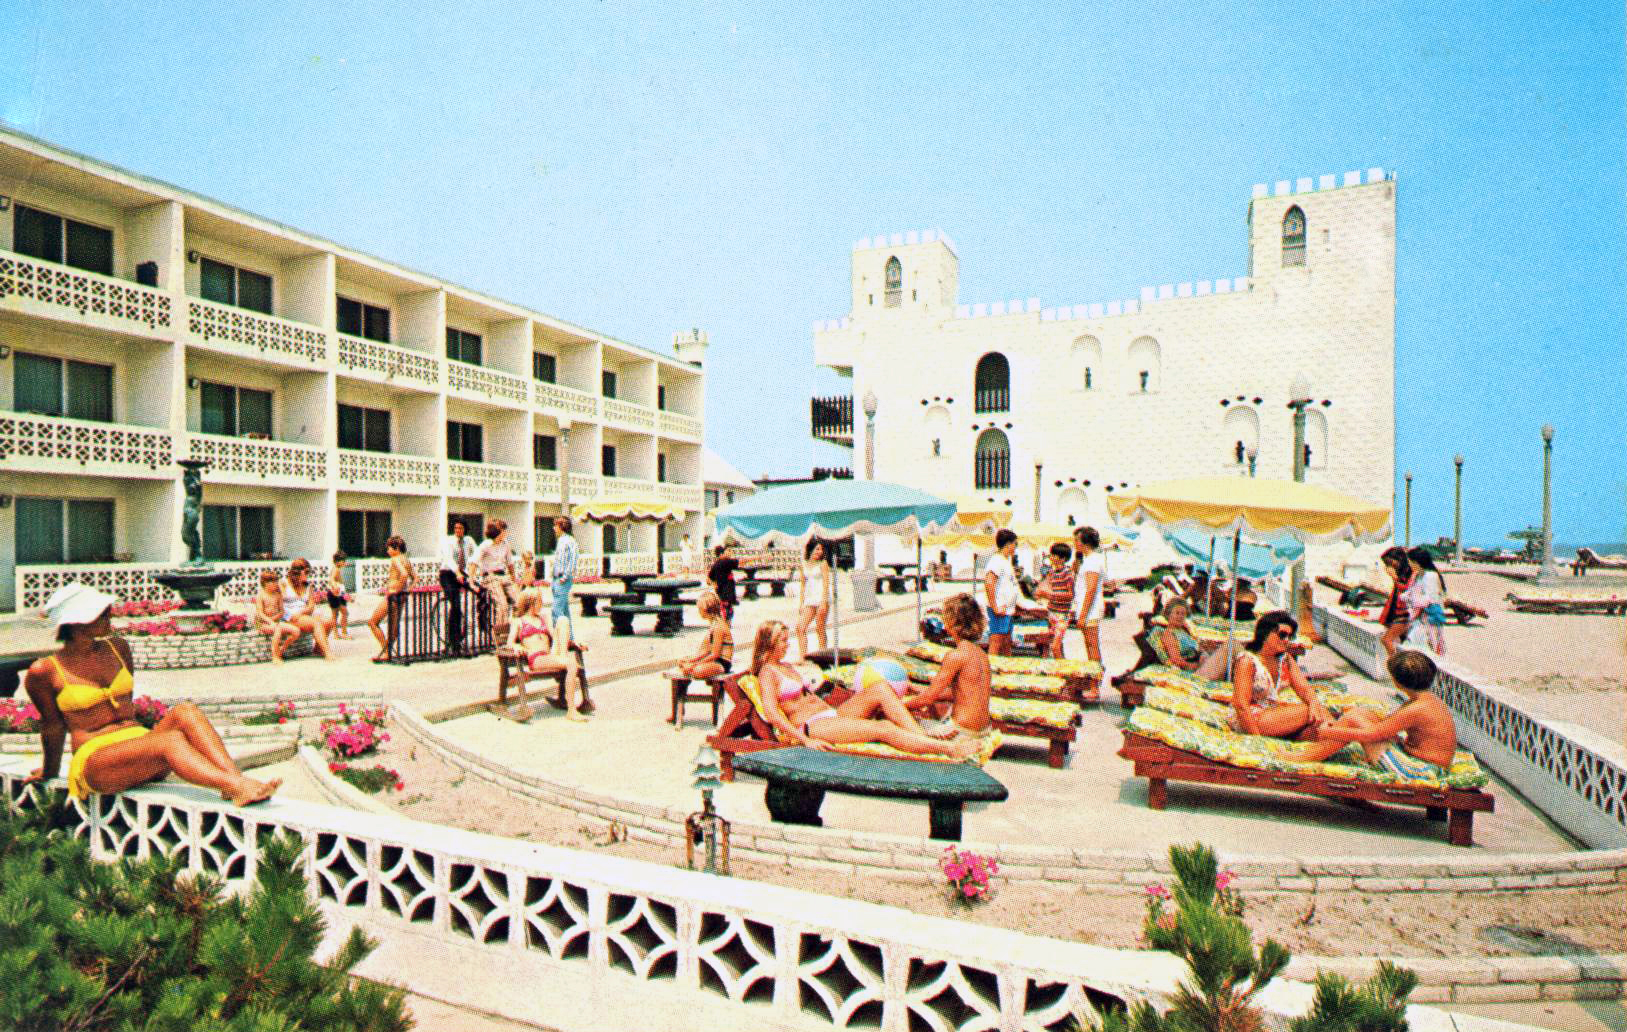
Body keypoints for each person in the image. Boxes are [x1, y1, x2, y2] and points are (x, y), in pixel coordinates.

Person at [23, 583, 280, 805]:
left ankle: (234, 782)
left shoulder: (117, 647)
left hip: (140, 748)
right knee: (170, 741)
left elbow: (125, 706)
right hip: (96, 761)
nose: (109, 614)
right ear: (76, 622)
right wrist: (49, 771)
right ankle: (237, 786)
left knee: (186, 712)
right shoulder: (45, 671)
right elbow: (53, 727)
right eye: (101, 612)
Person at [751, 620, 977, 759]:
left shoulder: (787, 666)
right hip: (812, 726)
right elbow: (771, 713)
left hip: (831, 714)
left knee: (880, 687)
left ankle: (921, 738)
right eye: (782, 640)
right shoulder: (768, 673)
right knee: (884, 728)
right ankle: (946, 750)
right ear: (768, 643)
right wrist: (803, 739)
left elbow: (809, 694)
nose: (787, 644)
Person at [1299, 650, 1456, 778]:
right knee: (1361, 713)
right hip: (1425, 762)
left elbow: (1372, 734)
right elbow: (1386, 723)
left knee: (1354, 719)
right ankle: (1315, 752)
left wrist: (1330, 731)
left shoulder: (1417, 708)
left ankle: (1304, 758)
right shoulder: (1426, 700)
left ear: (1398, 682)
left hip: (1423, 770)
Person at [901, 593, 993, 746]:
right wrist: (917, 689)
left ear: (951, 623)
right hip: (982, 731)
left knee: (895, 722)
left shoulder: (956, 656)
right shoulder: (982, 655)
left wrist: (899, 707)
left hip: (960, 732)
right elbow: (963, 691)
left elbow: (927, 699)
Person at [1230, 610, 1332, 738]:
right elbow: (1241, 705)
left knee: (1318, 728)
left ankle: (1344, 736)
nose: (1286, 640)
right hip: (1249, 720)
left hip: (1272, 716)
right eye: (1282, 635)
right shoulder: (1247, 661)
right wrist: (1257, 741)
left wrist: (1314, 703)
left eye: (1290, 637)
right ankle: (1351, 734)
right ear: (1265, 634)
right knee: (1306, 711)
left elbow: (1304, 689)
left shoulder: (1285, 659)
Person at [507, 588, 585, 720]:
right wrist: (517, 646)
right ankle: (571, 711)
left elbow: (558, 636)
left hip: (550, 654)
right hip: (537, 659)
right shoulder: (519, 621)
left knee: (563, 620)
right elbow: (510, 642)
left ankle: (563, 657)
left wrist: (574, 643)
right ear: (531, 602)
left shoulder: (543, 618)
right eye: (540, 601)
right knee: (572, 664)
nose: (542, 604)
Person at [1156, 600, 1232, 681]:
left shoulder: (1183, 631)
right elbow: (1177, 661)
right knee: (1232, 647)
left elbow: (1196, 647)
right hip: (1192, 673)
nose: (1180, 617)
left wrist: (1207, 649)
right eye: (1177, 613)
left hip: (1201, 664)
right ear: (1168, 614)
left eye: (1183, 614)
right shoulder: (1169, 635)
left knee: (1230, 648)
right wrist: (1198, 665)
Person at [368, 536, 415, 661]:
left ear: (396, 548)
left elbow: (404, 575)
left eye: (389, 548)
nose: (387, 551)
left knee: (372, 622)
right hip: (401, 596)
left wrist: (397, 589)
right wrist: (407, 590)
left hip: (393, 595)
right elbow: (416, 578)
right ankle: (387, 652)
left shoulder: (395, 559)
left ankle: (386, 651)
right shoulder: (406, 560)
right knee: (393, 628)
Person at [675, 591, 734, 681]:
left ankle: (693, 670)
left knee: (697, 671)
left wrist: (694, 665)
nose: (699, 612)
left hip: (721, 663)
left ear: (706, 609)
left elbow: (715, 654)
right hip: (713, 661)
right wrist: (691, 660)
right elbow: (706, 651)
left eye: (700, 609)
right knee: (682, 662)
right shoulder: (713, 624)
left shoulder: (719, 626)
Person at [281, 558, 332, 660]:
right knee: (315, 623)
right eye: (304, 573)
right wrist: (289, 616)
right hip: (289, 616)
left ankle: (318, 648)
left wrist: (301, 612)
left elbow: (311, 606)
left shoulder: (308, 586)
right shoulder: (283, 584)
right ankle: (327, 653)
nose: (306, 576)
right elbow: (278, 606)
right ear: (295, 573)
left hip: (302, 615)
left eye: (307, 573)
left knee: (328, 621)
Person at [982, 529, 1021, 656]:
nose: (1016, 548)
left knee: (1006, 641)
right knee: (996, 641)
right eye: (1015, 544)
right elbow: (989, 582)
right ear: (1008, 544)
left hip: (1007, 610)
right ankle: (989, 672)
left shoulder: (1004, 561)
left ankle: (1006, 669)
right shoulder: (996, 561)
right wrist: (995, 607)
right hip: (1000, 610)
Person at [476, 519, 519, 634]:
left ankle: (515, 631)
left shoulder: (505, 545)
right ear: (496, 532)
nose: (505, 533)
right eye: (503, 531)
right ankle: (500, 634)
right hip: (490, 576)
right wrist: (471, 579)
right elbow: (473, 561)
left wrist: (513, 578)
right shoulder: (485, 545)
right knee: (502, 604)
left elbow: (510, 563)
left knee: (518, 602)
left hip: (502, 575)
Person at [439, 519, 476, 654]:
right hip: (448, 574)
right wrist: (457, 573)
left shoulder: (469, 541)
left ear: (465, 529)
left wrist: (475, 571)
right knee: (455, 606)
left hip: (462, 573)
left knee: (480, 595)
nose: (458, 531)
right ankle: (453, 642)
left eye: (460, 528)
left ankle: (472, 631)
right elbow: (448, 559)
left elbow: (475, 556)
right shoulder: (448, 541)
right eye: (456, 528)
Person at [1033, 542, 1075, 658]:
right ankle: (1059, 667)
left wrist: (1050, 595)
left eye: (1054, 555)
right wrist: (1040, 592)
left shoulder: (1067, 574)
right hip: (1051, 613)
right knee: (1054, 645)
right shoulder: (1051, 573)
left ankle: (1062, 672)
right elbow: (1044, 587)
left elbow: (1071, 595)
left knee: (1055, 647)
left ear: (1062, 558)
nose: (1051, 557)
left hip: (1062, 615)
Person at [1072, 527, 1106, 668]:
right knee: (1089, 645)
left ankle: (1095, 684)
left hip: (1090, 610)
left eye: (1076, 540)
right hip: (1087, 609)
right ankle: (1093, 681)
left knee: (1092, 645)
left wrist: (1083, 615)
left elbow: (1091, 589)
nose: (1074, 543)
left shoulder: (1093, 561)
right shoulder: (1089, 560)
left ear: (1085, 543)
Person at [1404, 547, 1448, 655]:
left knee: (1429, 646)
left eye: (1410, 562)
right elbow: (1413, 592)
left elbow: (1429, 598)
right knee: (1417, 645)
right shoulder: (1418, 575)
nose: (1409, 564)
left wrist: (1412, 600)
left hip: (1430, 617)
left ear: (1417, 562)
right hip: (1419, 617)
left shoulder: (1430, 576)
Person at [794, 539, 831, 661]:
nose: (819, 552)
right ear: (810, 549)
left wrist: (823, 602)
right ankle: (802, 656)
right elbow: (803, 585)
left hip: (821, 598)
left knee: (820, 628)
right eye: (817, 549)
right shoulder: (803, 564)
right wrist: (801, 603)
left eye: (821, 549)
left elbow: (826, 583)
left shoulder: (823, 563)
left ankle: (823, 656)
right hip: (810, 600)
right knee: (800, 627)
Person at [252, 569, 301, 663]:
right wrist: (269, 621)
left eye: (275, 581)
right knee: (277, 629)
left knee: (296, 631)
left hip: (274, 622)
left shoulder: (277, 595)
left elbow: (282, 611)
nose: (275, 584)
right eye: (272, 582)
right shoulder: (261, 595)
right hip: (260, 623)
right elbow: (260, 613)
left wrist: (273, 619)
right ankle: (275, 657)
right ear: (265, 583)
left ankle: (281, 650)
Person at [1377, 546, 1414, 659]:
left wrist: (1394, 577)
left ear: (1399, 559)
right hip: (1399, 612)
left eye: (1390, 562)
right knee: (1399, 642)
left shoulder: (1409, 572)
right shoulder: (1402, 572)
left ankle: (1395, 665)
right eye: (1387, 564)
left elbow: (1407, 591)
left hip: (1406, 614)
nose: (1390, 566)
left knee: (1386, 640)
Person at [550, 516, 578, 626]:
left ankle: (559, 638)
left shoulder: (570, 540)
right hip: (557, 578)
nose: (554, 528)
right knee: (564, 611)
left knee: (556, 611)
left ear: (562, 527)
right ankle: (568, 639)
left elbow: (573, 559)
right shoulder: (561, 540)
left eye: (556, 525)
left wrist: (565, 576)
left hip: (563, 579)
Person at [707, 543, 740, 622]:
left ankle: (724, 621)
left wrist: (714, 584)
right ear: (721, 554)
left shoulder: (715, 564)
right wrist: (761, 557)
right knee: (727, 608)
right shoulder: (726, 562)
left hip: (720, 591)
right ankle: (727, 623)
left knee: (724, 607)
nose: (728, 554)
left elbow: (709, 578)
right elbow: (742, 561)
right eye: (726, 552)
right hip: (727, 589)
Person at [326, 552, 352, 639]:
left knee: (335, 614)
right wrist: (335, 586)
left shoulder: (336, 568)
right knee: (344, 612)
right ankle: (343, 633)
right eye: (343, 561)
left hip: (337, 592)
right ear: (337, 561)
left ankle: (336, 634)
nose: (344, 562)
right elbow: (331, 579)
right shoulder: (336, 569)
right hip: (336, 593)